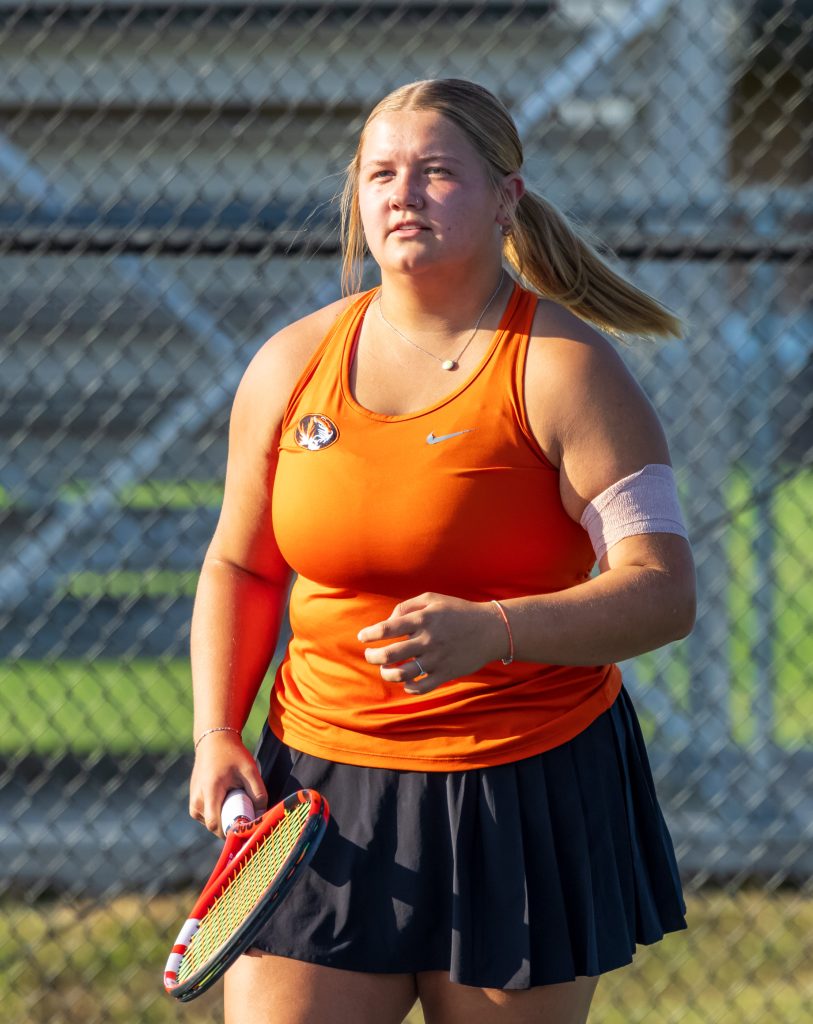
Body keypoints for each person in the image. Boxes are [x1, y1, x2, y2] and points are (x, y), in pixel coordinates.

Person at [188, 78, 696, 1024]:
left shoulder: (567, 370)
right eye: (380, 173)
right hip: (320, 789)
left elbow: (662, 590)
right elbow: (242, 565)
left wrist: (494, 631)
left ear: (506, 197)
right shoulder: (289, 363)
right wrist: (216, 731)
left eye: (436, 173)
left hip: (521, 789)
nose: (403, 194)